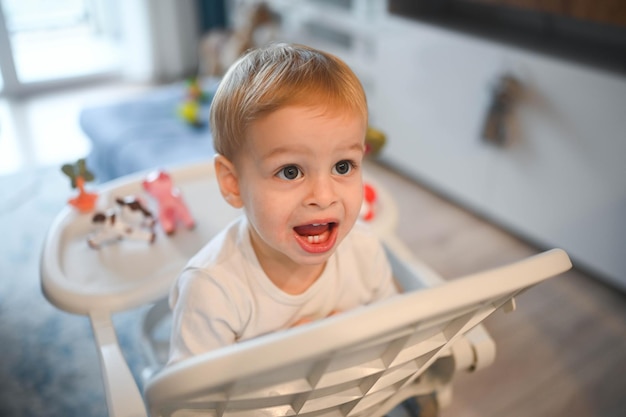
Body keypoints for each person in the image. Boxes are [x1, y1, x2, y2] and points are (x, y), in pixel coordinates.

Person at [168, 43, 398, 365]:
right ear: (233, 183)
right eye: (290, 172)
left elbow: (394, 332)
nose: (323, 196)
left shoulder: (364, 250)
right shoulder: (212, 290)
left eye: (343, 166)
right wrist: (284, 359)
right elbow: (190, 403)